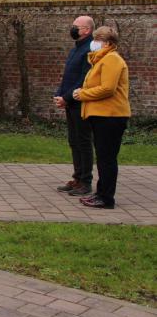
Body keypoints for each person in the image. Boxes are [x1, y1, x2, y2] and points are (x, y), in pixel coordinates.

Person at [72, 26, 130, 210]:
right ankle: (100, 193)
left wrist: (83, 94)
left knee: (107, 158)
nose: (94, 43)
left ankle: (106, 198)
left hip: (111, 116)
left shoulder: (112, 59)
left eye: (97, 39)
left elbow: (107, 88)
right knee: (103, 157)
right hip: (101, 115)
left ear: (107, 43)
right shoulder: (100, 60)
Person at [53, 16, 95, 197]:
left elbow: (84, 79)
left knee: (83, 142)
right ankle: (77, 177)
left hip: (81, 103)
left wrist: (67, 98)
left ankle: (85, 181)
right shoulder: (76, 49)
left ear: (87, 30)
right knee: (74, 141)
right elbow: (68, 76)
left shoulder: (89, 50)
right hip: (70, 102)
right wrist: (59, 94)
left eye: (76, 27)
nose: (73, 29)